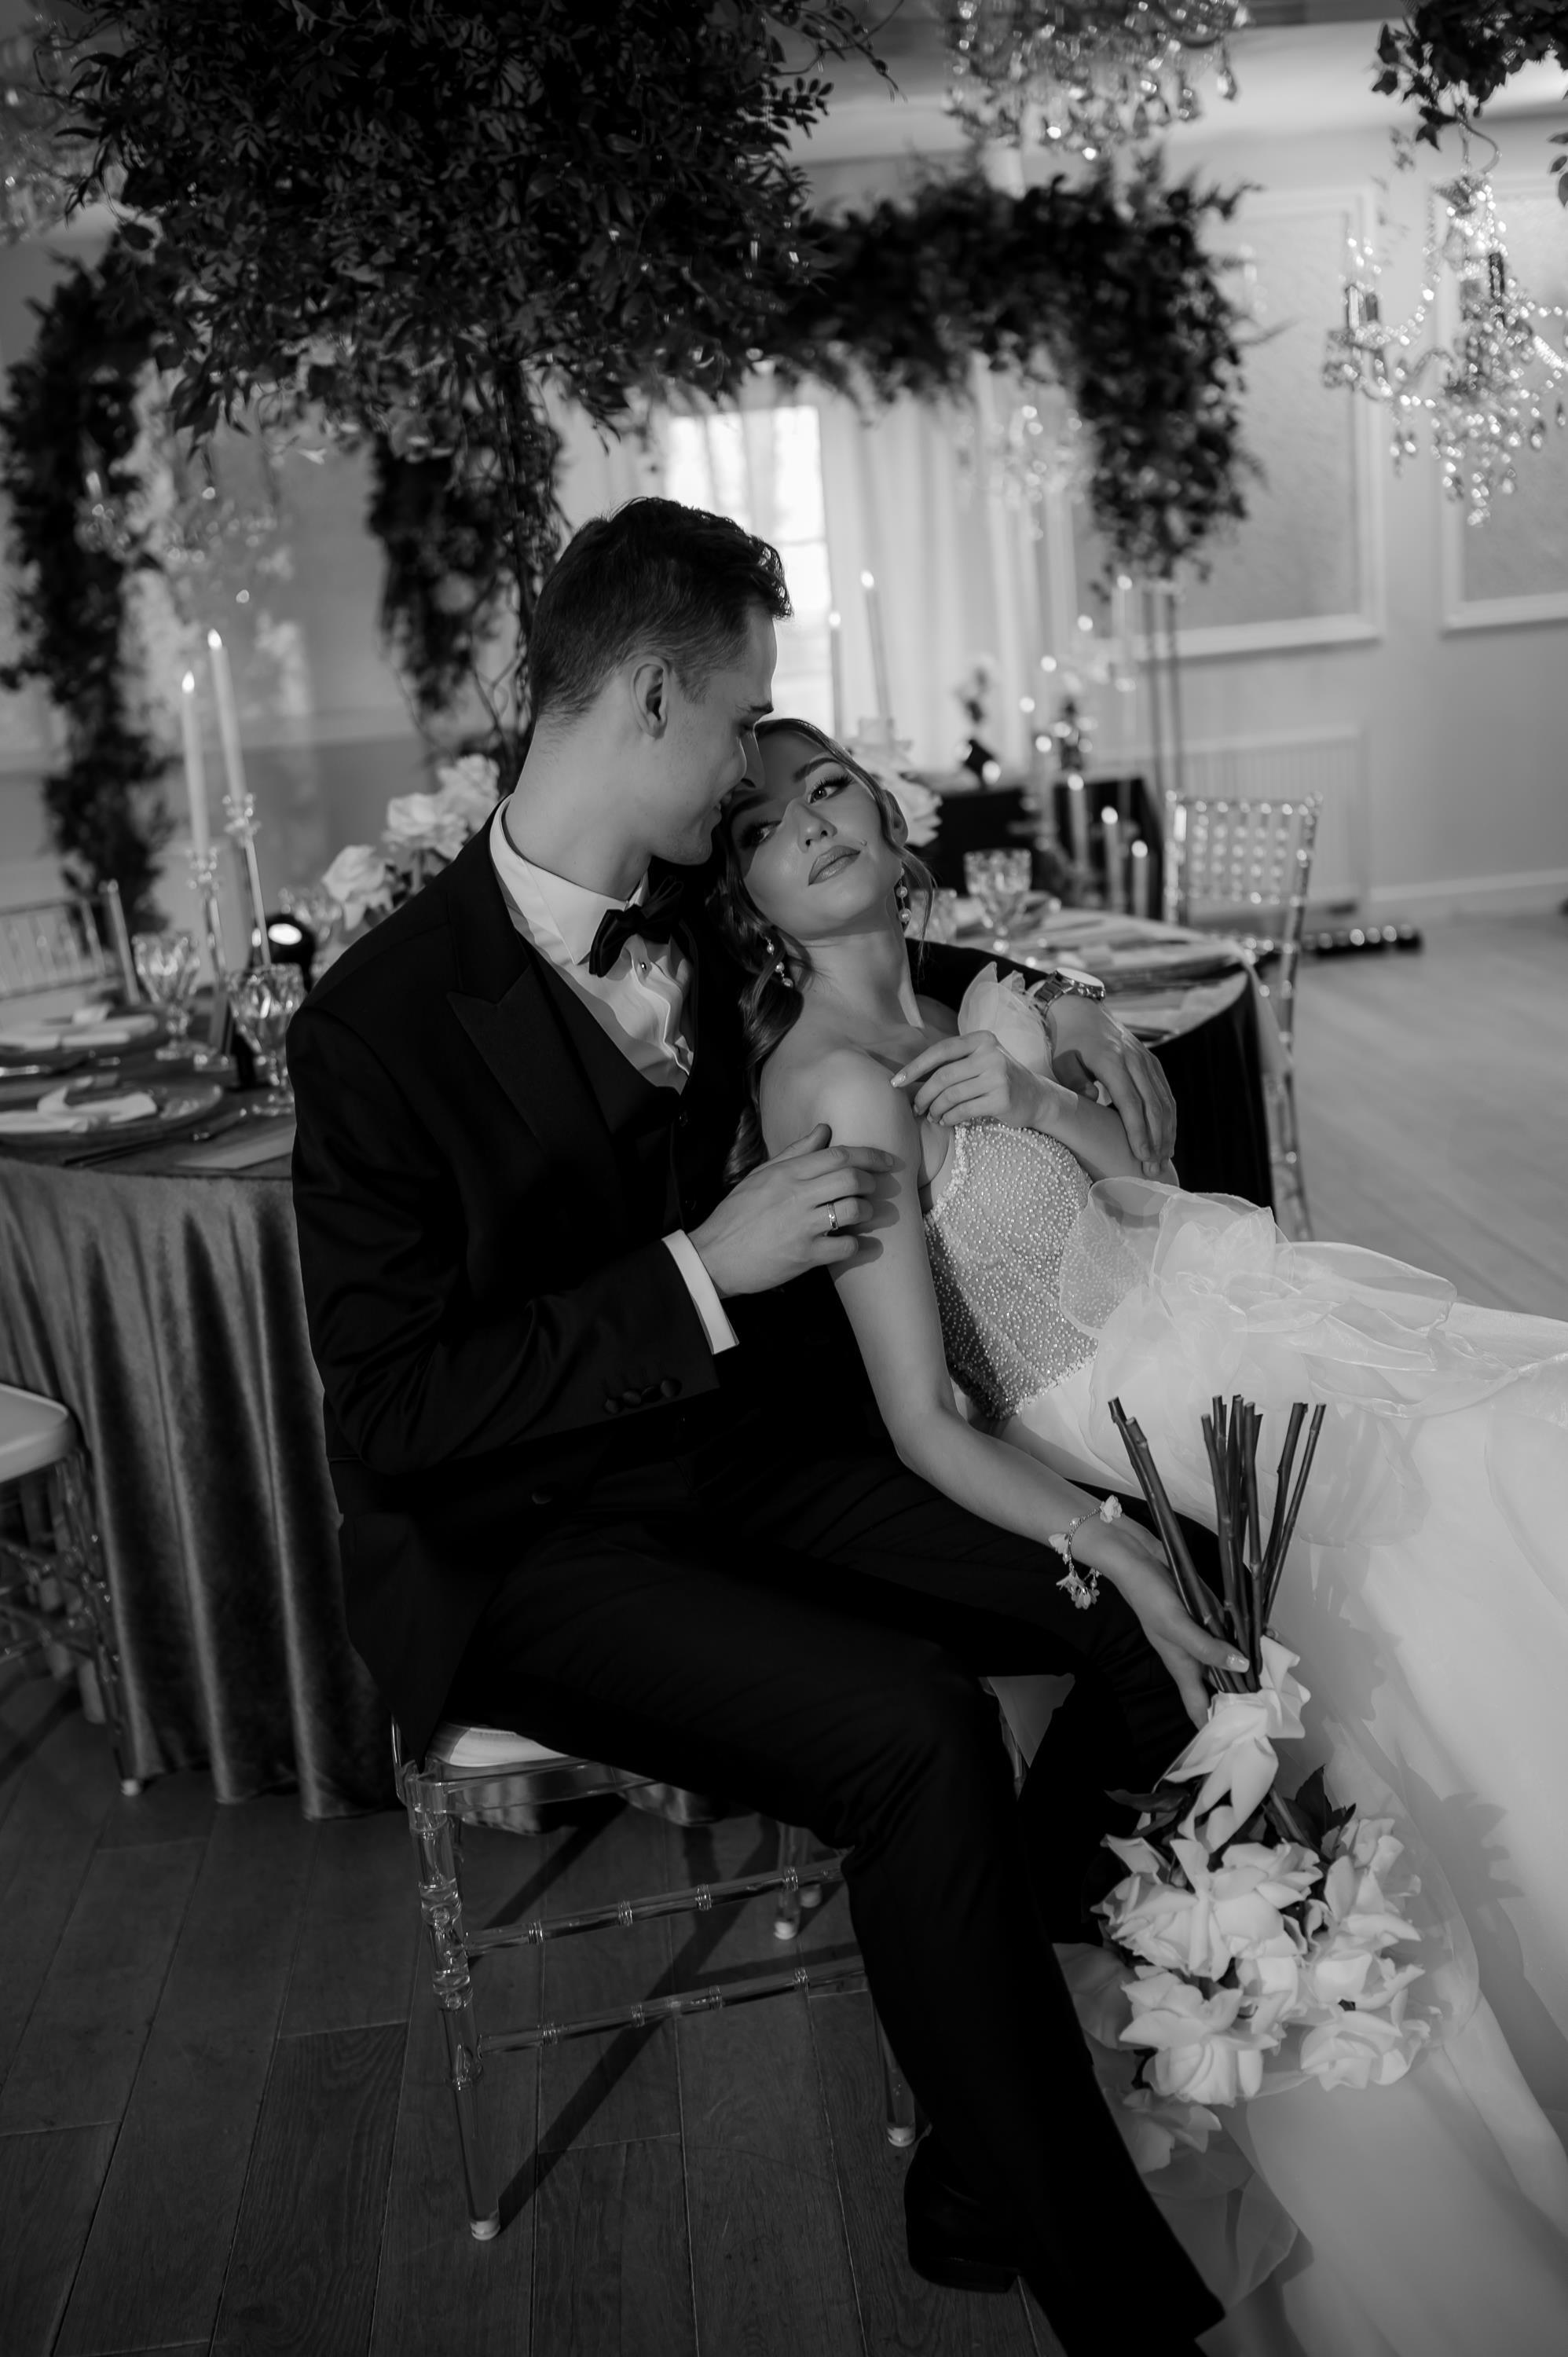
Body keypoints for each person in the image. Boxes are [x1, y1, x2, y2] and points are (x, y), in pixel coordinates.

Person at [289, 499, 1235, 2355]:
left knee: (1153, 1593)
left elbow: (874, 971)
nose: (751, 772)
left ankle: (987, 2125)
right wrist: (694, 1272)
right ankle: (1121, 2308)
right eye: (738, 721)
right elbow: (394, 1413)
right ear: (651, 695)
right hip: (530, 1543)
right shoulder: (375, 1027)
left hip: (749, 1459)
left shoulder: (696, 927)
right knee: (913, 1730)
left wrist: (1034, 1041)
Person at [713, 713, 1568, 2355]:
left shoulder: (966, 1004)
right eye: (760, 824)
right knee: (1462, 1537)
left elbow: (1139, 1193)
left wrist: (1037, 1088)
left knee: (1514, 1449)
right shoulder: (830, 1082)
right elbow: (921, 1416)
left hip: (1220, 1328)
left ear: (889, 818)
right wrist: (1112, 1547)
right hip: (1122, 1427)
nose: (808, 825)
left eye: (827, 789)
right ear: (744, 891)